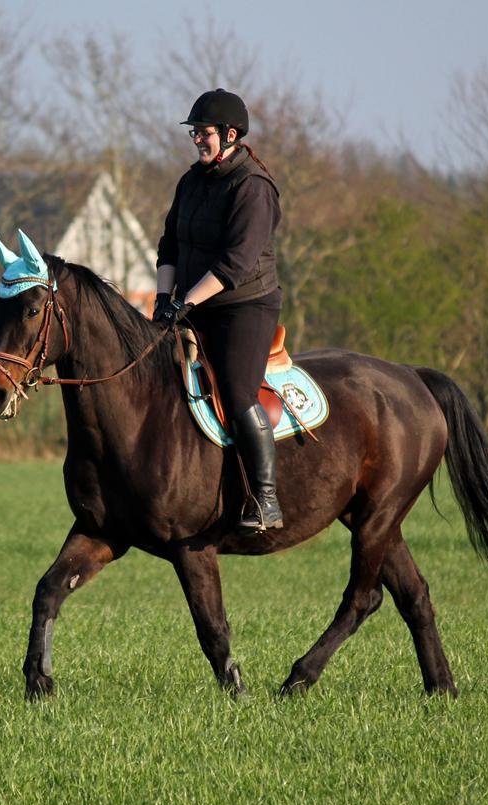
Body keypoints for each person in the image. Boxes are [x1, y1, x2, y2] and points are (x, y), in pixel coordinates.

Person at [154, 88, 284, 533]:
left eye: (203, 133)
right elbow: (168, 244)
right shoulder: (191, 181)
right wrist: (162, 299)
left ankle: (265, 499)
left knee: (235, 391)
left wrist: (185, 302)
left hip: (243, 306)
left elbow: (234, 265)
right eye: (193, 133)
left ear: (230, 135)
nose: (196, 141)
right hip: (190, 300)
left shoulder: (253, 188)